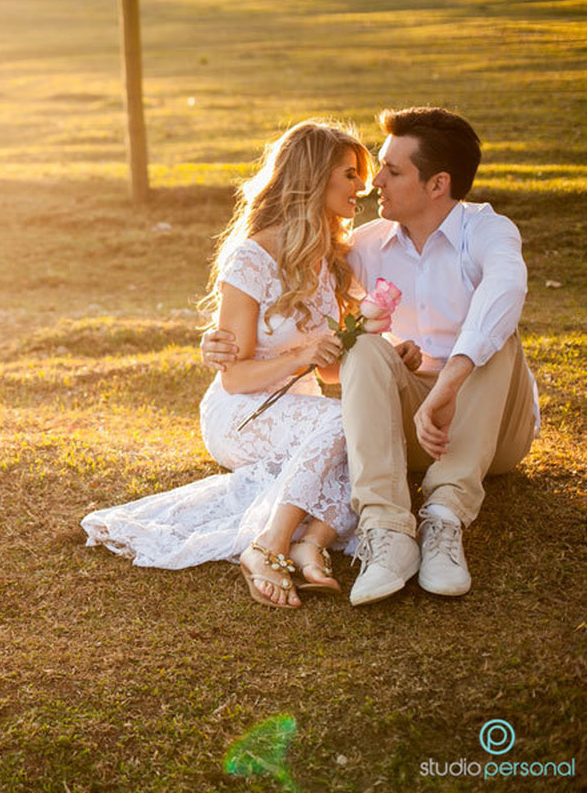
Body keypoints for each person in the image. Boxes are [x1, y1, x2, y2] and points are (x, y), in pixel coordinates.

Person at [201, 108, 540, 606]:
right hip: (391, 422)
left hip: (490, 426)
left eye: (390, 171)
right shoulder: (358, 247)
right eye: (360, 171)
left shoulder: (486, 232)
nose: (370, 183)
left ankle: (444, 517)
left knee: (494, 335)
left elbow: (504, 295)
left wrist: (439, 384)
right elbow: (296, 328)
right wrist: (215, 341)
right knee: (360, 362)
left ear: (437, 184)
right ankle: (382, 534)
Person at [82, 120, 373, 608]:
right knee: (344, 425)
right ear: (315, 177)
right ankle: (269, 546)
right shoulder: (252, 258)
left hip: (300, 411)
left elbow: (328, 376)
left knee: (361, 436)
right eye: (349, 174)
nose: (359, 187)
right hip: (241, 414)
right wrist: (301, 352)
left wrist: (364, 350)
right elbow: (234, 376)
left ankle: (311, 542)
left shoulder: (333, 259)